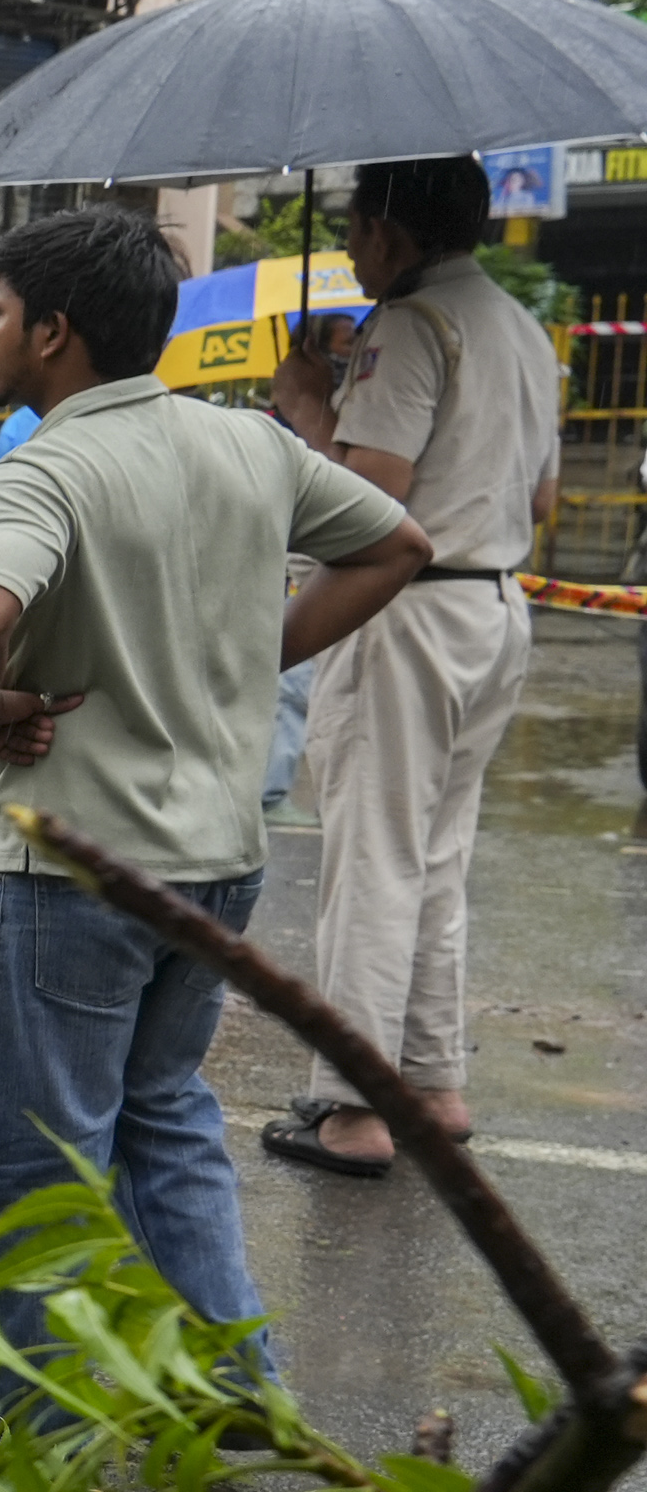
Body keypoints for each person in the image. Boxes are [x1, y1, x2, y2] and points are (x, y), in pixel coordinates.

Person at [0, 208, 424, 1390]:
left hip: (76, 868)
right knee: (165, 1120)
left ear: (53, 333)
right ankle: (240, 1388)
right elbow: (398, 543)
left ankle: (36, 1450)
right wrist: (259, 655)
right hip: (215, 859)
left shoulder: (44, 462)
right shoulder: (250, 445)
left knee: (37, 1167)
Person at [266, 155, 565, 1180]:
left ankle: (358, 1106)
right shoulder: (521, 330)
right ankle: (433, 1084)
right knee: (436, 858)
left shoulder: (407, 327)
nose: (348, 246)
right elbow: (539, 503)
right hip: (492, 610)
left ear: (394, 231)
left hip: (404, 612)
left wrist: (309, 406)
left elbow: (374, 498)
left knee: (375, 860)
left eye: (356, 227)